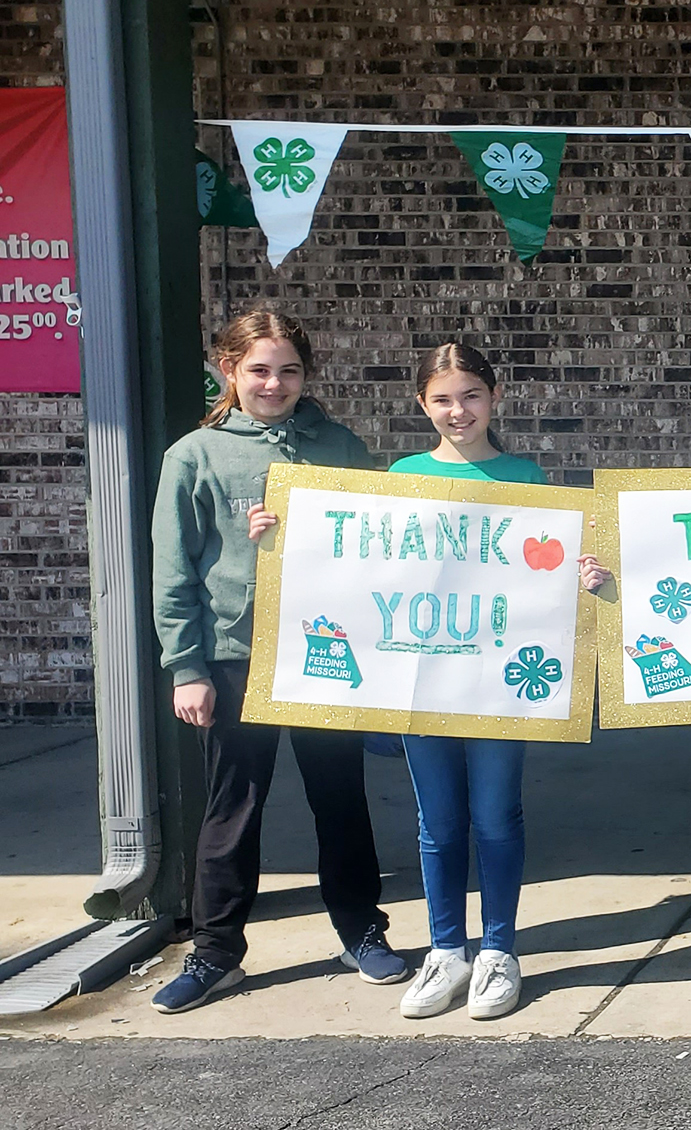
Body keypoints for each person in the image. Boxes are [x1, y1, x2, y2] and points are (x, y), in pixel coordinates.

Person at [151, 310, 405, 1013]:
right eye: (259, 369)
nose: (274, 382)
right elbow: (172, 574)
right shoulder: (194, 457)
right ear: (228, 370)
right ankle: (216, 953)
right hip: (235, 657)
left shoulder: (339, 445)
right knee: (233, 808)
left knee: (340, 800)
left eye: (289, 369)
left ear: (305, 375)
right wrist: (188, 667)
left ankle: (361, 930)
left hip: (326, 652)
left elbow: (380, 544)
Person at [376, 342, 608, 1020]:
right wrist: (280, 535)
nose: (458, 410)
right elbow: (372, 568)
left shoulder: (523, 474)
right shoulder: (403, 475)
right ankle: (446, 951)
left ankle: (500, 951)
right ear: (422, 404)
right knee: (438, 821)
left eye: (471, 395)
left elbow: (545, 573)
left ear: (494, 399)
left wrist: (586, 575)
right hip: (427, 676)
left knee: (496, 815)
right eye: (443, 398)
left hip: (503, 678)